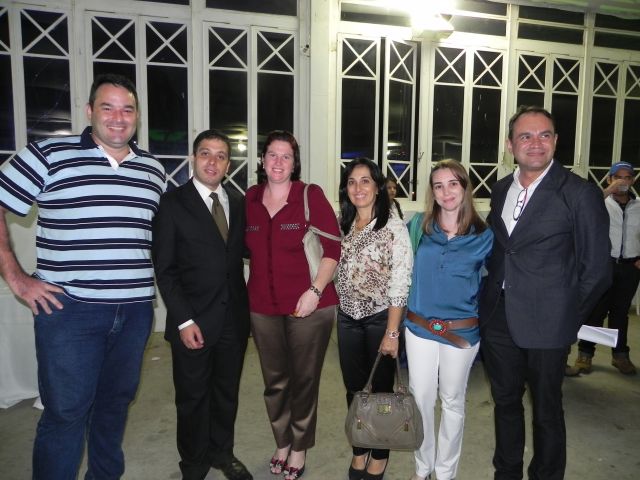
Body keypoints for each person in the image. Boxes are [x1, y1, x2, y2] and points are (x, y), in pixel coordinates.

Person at [0, 74, 166, 479]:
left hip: (135, 311)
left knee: (114, 407)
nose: (118, 117)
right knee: (65, 413)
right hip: (70, 312)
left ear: (137, 116)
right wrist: (17, 277)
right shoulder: (48, 154)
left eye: (127, 109)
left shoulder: (154, 170)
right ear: (90, 111)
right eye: (107, 107)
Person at [478, 105, 611, 480]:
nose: (535, 143)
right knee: (505, 402)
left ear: (555, 141)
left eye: (544, 135)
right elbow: (501, 249)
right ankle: (506, 473)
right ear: (510, 145)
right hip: (498, 318)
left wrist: (567, 316)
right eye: (525, 136)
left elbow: (597, 270)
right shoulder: (500, 189)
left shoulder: (579, 193)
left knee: (547, 411)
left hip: (549, 325)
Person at [152, 130, 252, 480]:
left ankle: (222, 453)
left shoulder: (238, 202)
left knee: (226, 393)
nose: (213, 161)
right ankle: (193, 465)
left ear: (228, 164)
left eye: (221, 155)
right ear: (193, 158)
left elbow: (245, 252)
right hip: (192, 322)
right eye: (206, 153)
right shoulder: (171, 203)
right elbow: (165, 270)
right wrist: (183, 320)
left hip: (233, 320)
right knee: (192, 398)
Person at [244, 130, 341, 480]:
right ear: (262, 160)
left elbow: (333, 248)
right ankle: (282, 441)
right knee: (275, 382)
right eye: (272, 154)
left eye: (286, 156)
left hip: (309, 306)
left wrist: (314, 290)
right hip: (262, 306)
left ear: (294, 162)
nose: (278, 162)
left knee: (303, 380)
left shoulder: (309, 195)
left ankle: (299, 447)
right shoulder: (250, 198)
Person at [404, 159, 493, 480]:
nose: (446, 192)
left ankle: (445, 473)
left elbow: (496, 283)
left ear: (465, 187)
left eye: (453, 183)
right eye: (438, 186)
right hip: (419, 328)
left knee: (453, 401)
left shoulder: (484, 235)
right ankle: (422, 467)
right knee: (420, 400)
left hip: (461, 332)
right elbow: (400, 270)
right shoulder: (418, 226)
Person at [335, 158, 413, 480]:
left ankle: (380, 453)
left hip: (381, 319)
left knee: (380, 392)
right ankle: (360, 447)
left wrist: (392, 333)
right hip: (346, 317)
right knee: (354, 389)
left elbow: (401, 282)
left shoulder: (393, 227)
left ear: (378, 187)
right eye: (352, 182)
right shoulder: (344, 224)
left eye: (365, 181)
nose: (358, 188)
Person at [566, 161, 640, 376]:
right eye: (618, 177)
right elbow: (579, 210)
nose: (623, 181)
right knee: (595, 312)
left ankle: (620, 355)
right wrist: (608, 191)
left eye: (628, 177)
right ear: (609, 179)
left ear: (633, 181)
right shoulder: (601, 202)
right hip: (603, 265)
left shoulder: (638, 207)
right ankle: (585, 355)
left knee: (620, 313)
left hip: (629, 267)